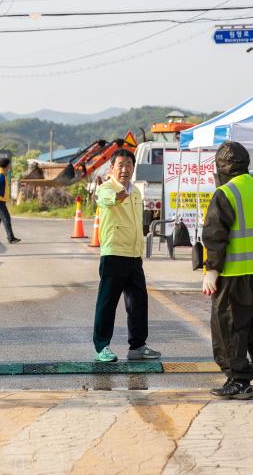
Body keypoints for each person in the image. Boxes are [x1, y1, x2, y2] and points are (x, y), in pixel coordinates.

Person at [201, 141, 253, 399]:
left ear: (222, 167)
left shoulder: (225, 193)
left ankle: (238, 381)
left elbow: (215, 235)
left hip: (233, 275)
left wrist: (211, 271)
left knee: (230, 328)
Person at [92, 148, 161, 363]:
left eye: (129, 165)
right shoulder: (106, 188)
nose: (125, 169)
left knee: (138, 302)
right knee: (107, 302)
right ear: (111, 168)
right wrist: (122, 191)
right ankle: (102, 346)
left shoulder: (137, 191)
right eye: (120, 165)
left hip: (133, 255)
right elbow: (110, 199)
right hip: (113, 253)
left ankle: (138, 346)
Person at [0, 157, 21, 245]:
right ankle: (11, 238)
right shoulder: (0, 175)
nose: (10, 166)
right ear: (7, 165)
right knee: (6, 218)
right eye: (9, 164)